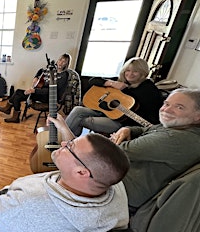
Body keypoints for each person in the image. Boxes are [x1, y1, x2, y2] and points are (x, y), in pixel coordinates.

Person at [52, 88, 200, 211]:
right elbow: (148, 128)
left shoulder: (174, 140)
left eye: (179, 107)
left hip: (122, 192)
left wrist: (65, 130)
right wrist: (128, 129)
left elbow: (105, 155)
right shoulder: (181, 129)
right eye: (166, 103)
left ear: (197, 116)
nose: (167, 109)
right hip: (121, 179)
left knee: (70, 162)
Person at [0, 132, 130, 232]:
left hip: (3, 202)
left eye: (70, 146)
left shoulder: (32, 200)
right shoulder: (114, 183)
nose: (63, 143)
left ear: (81, 172)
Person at [65, 57, 161, 136]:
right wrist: (111, 83)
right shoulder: (121, 81)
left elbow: (149, 115)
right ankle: (65, 139)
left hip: (124, 123)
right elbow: (92, 81)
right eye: (128, 70)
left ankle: (68, 141)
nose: (130, 74)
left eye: (135, 71)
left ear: (143, 73)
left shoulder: (149, 89)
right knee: (77, 110)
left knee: (81, 120)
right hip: (106, 113)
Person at [0, 53, 81, 123]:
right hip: (40, 92)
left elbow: (51, 91)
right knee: (18, 92)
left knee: (18, 93)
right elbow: (41, 70)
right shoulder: (52, 69)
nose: (60, 63)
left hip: (50, 98)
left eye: (64, 62)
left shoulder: (63, 76)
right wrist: (36, 77)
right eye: (60, 60)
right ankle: (11, 112)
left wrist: (34, 91)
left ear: (67, 64)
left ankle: (11, 112)